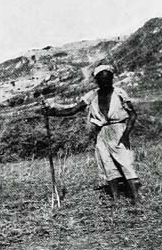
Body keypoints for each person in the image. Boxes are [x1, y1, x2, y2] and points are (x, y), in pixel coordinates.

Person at [43, 64, 141, 204]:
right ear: (97, 80)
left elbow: (132, 115)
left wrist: (126, 134)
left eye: (108, 79)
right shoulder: (92, 95)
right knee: (107, 165)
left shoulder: (119, 93)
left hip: (118, 130)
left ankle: (136, 198)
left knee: (126, 163)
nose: (105, 82)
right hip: (102, 133)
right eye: (101, 80)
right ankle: (116, 199)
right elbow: (73, 110)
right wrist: (52, 112)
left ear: (112, 79)